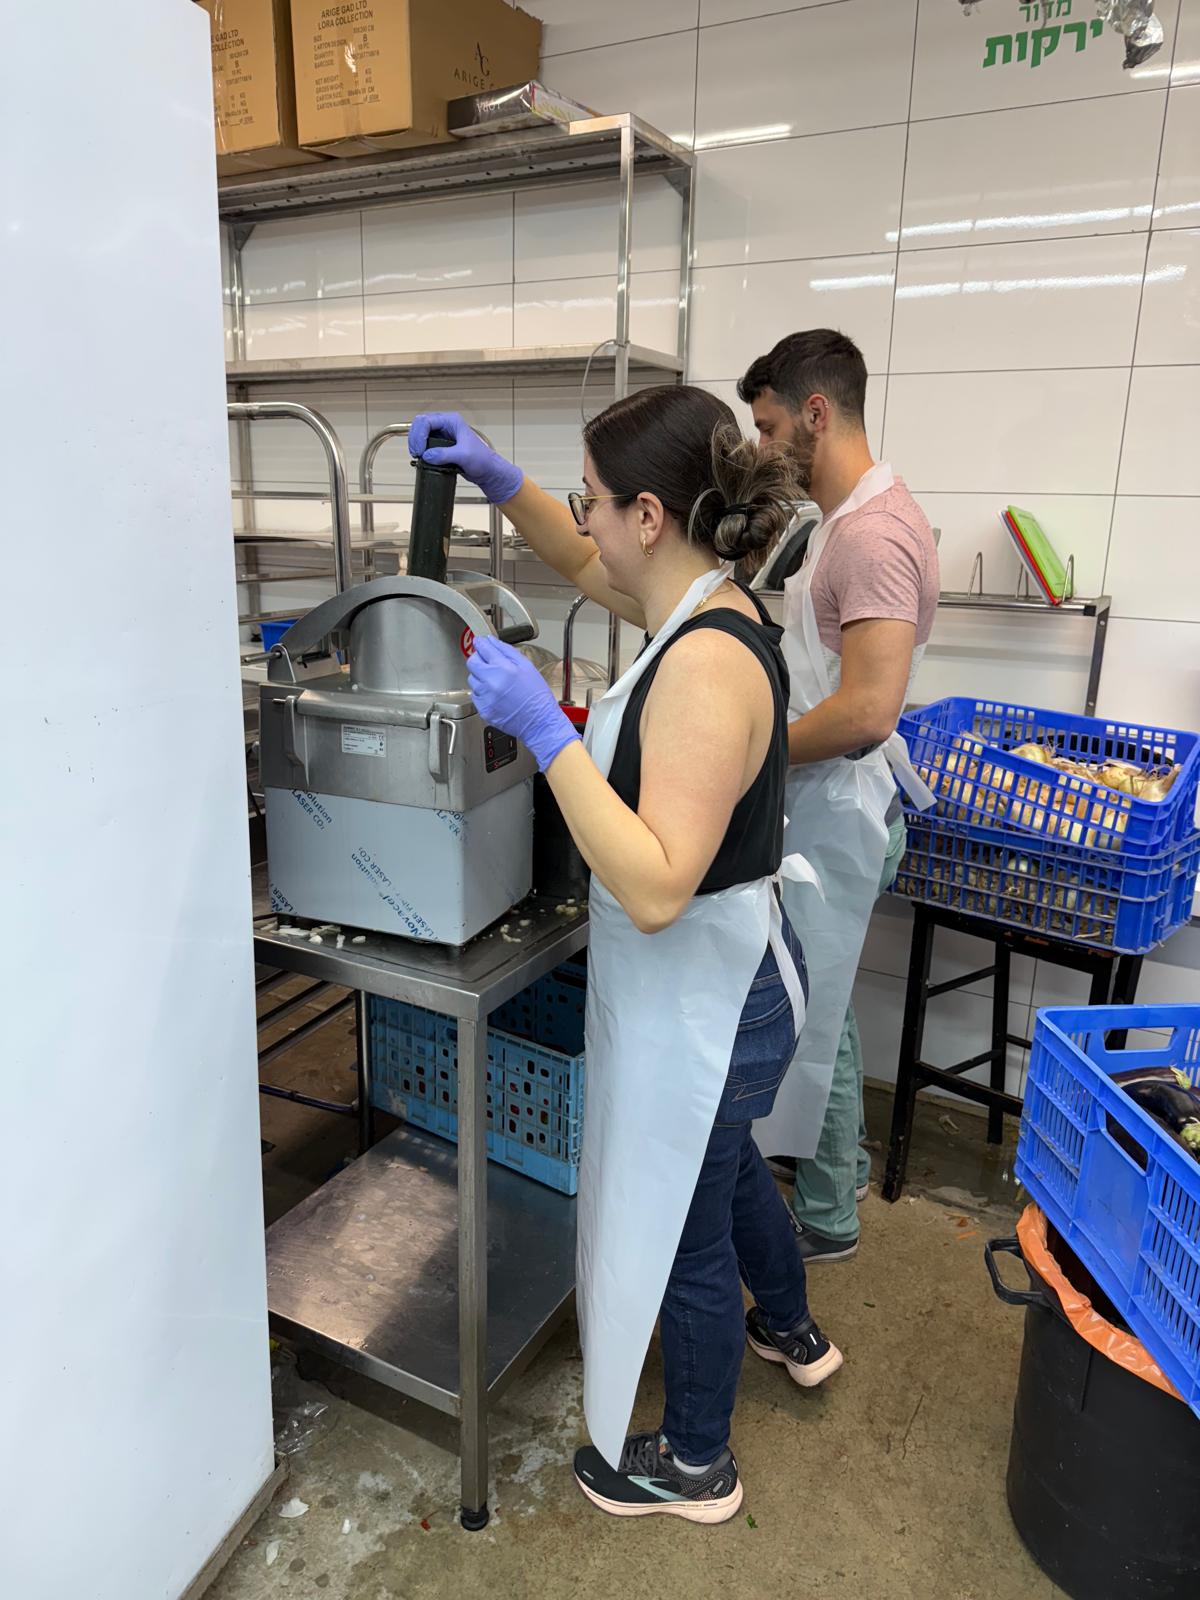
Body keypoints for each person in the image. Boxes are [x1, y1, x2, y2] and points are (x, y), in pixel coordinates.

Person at [409, 389, 843, 1525]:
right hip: (729, 981)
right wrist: (497, 478)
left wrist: (543, 732)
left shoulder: (706, 666)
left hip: (711, 995)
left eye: (592, 499)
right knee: (726, 1163)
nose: (581, 519)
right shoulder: (694, 598)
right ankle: (794, 1328)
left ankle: (697, 1463)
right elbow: (573, 557)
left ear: (649, 515)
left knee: (686, 1232)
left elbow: (653, 886)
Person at [737, 329, 940, 1264]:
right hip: (825, 802)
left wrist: (752, 755)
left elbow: (865, 709)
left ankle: (825, 1220)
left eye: (769, 426)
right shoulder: (839, 520)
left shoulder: (872, 535)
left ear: (816, 413)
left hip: (845, 810)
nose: (762, 446)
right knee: (824, 1002)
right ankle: (840, 1171)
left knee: (811, 1012)